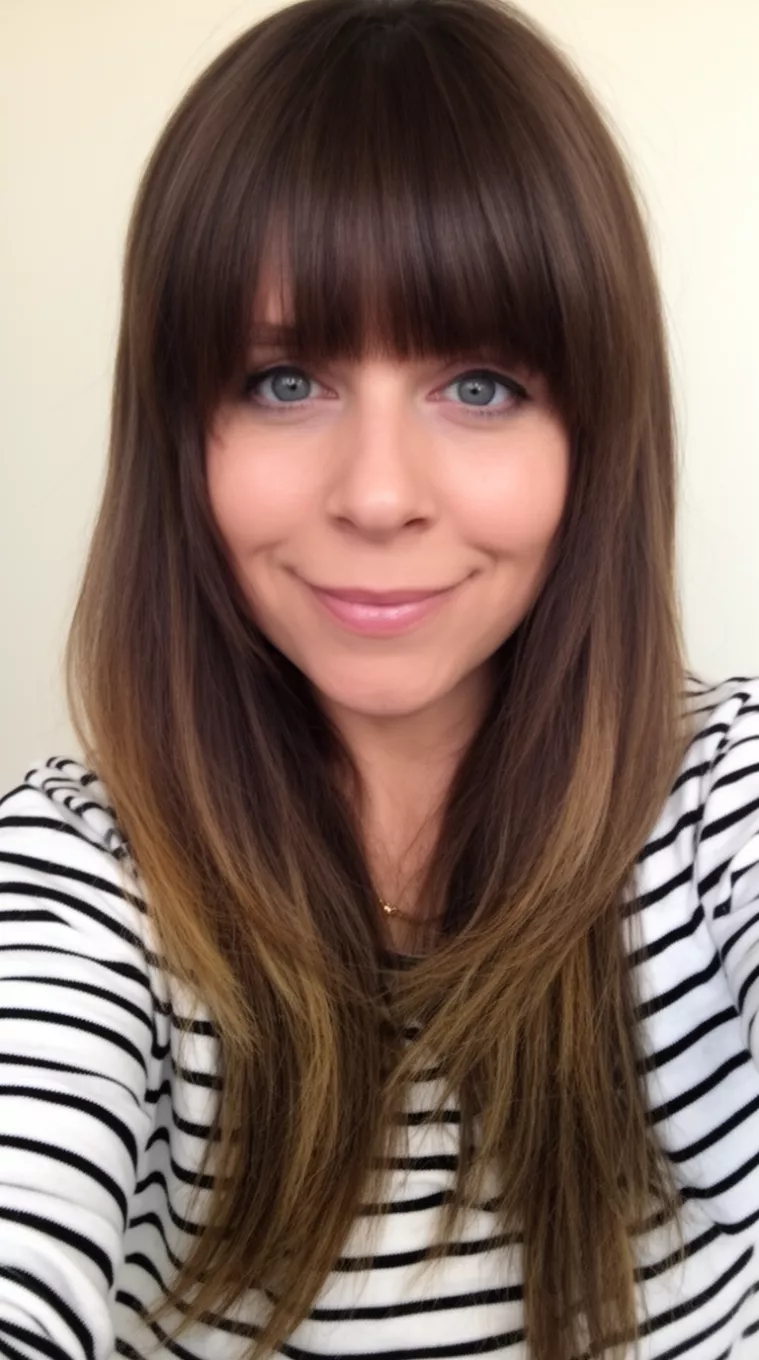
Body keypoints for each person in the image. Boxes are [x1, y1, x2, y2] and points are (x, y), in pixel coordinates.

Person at [2, 0, 759, 1357]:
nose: (376, 496)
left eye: (478, 384)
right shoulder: (76, 876)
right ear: (182, 433)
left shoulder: (711, 813)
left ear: (596, 435)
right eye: (284, 379)